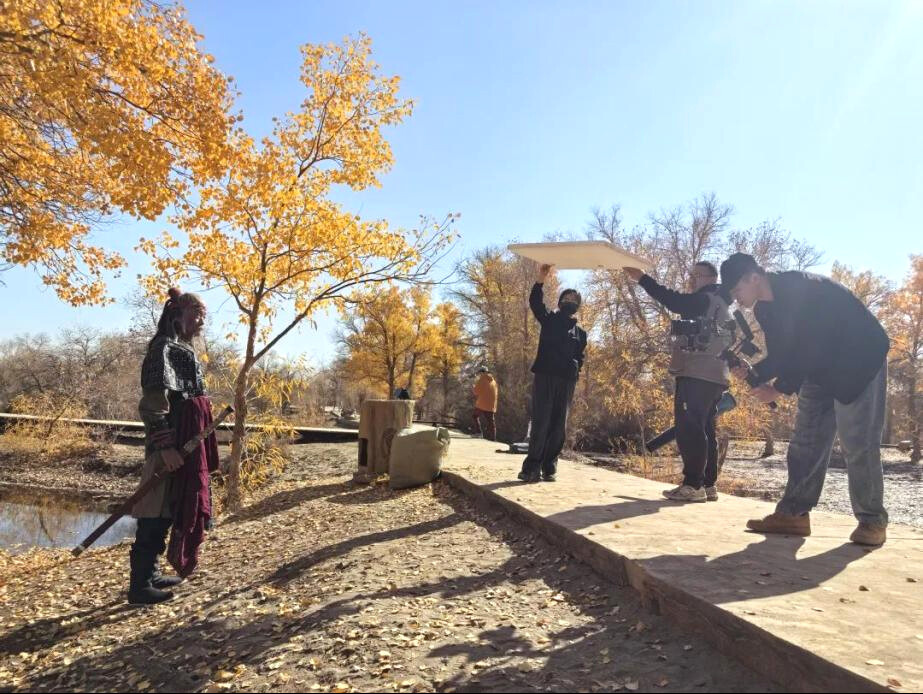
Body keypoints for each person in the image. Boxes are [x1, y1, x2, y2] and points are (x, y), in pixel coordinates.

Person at [720, 253, 890, 546]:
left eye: (736, 291)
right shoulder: (765, 311)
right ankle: (794, 514)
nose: (736, 300)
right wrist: (754, 371)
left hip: (859, 361)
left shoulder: (801, 288)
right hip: (819, 369)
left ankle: (872, 521)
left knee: (857, 443)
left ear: (753, 277)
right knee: (805, 441)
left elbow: (812, 345)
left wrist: (780, 388)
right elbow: (785, 356)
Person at [128, 287, 220, 604]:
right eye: (196, 315)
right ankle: (139, 586)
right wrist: (165, 447)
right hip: (167, 447)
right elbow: (154, 403)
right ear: (176, 315)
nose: (200, 322)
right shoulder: (163, 348)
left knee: (169, 509)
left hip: (186, 447)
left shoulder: (184, 349)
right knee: (153, 511)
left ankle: (151, 573)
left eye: (203, 316)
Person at [625, 262, 732, 503]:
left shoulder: (706, 298)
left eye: (694, 276)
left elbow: (672, 300)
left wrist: (642, 278)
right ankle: (708, 484)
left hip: (698, 372)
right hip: (716, 375)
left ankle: (693, 485)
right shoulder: (722, 303)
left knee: (689, 428)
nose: (690, 281)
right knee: (705, 428)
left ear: (704, 277)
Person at [518, 264, 588, 483]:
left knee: (558, 425)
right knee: (541, 421)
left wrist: (577, 371)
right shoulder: (549, 319)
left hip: (567, 381)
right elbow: (535, 303)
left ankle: (550, 467)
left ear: (577, 306)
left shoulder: (581, 333)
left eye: (574, 300)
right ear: (560, 302)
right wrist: (541, 278)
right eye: (567, 298)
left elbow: (581, 356)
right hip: (545, 376)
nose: (570, 302)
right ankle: (532, 468)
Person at [472, 366, 499, 441]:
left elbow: (476, 392)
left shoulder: (482, 379)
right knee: (491, 421)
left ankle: (478, 433)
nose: (479, 375)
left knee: (475, 416)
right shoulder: (493, 381)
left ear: (482, 372)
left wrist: (474, 387)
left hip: (482, 403)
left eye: (480, 373)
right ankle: (493, 438)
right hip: (491, 404)